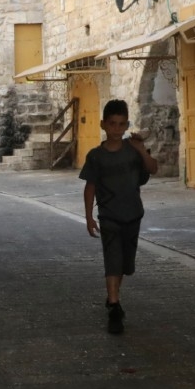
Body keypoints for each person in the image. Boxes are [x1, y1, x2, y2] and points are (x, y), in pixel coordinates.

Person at [79, 99, 158, 335]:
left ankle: (113, 296)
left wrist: (142, 149)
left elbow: (152, 169)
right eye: (112, 124)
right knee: (112, 259)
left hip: (133, 214)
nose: (117, 129)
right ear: (103, 124)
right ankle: (114, 305)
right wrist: (89, 216)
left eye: (121, 124)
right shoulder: (96, 156)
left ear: (126, 125)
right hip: (109, 216)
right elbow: (90, 187)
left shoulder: (133, 151)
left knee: (124, 263)